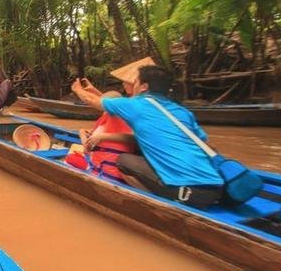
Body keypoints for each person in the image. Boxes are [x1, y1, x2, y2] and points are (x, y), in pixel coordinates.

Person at [71, 64, 224, 209]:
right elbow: (210, 147)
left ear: (144, 87)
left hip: (187, 192)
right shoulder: (181, 111)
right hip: (215, 188)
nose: (133, 85)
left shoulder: (137, 105)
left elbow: (93, 101)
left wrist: (78, 89)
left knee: (124, 160)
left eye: (135, 81)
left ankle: (153, 205)